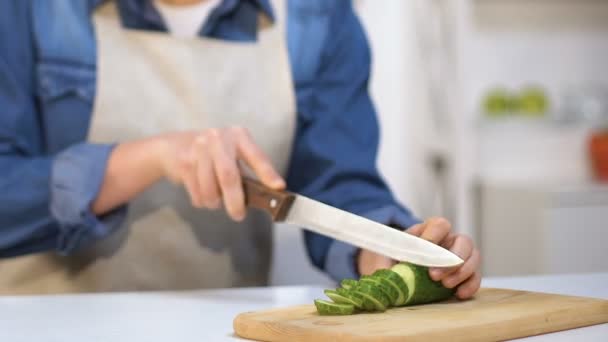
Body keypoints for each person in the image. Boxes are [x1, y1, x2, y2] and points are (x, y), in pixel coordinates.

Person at [0, 0, 481, 297]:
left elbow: (339, 185)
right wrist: (151, 158)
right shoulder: (28, 10)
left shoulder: (316, 17)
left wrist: (388, 253)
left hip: (226, 327)